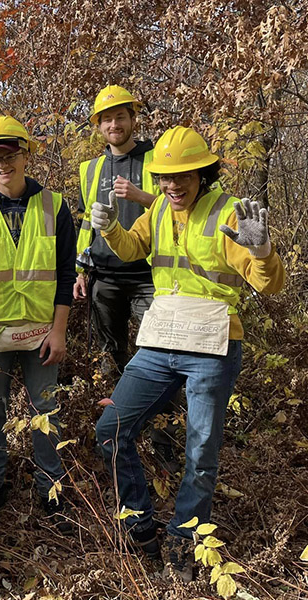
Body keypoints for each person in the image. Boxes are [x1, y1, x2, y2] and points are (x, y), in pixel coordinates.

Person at [92, 126, 284, 580]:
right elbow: (134, 247)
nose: (173, 186)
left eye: (184, 177)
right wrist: (112, 228)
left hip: (212, 345)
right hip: (161, 338)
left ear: (204, 173)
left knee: (201, 451)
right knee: (109, 429)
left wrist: (262, 249)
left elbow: (270, 283)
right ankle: (140, 528)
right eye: (165, 178)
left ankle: (184, 539)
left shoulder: (228, 214)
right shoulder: (157, 207)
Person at [0, 116, 77, 531]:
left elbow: (66, 272)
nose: (2, 164)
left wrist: (60, 330)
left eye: (10, 155)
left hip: (43, 329)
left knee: (47, 409)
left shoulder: (55, 205)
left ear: (26, 155)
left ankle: (52, 488)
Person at [74, 85, 157, 374]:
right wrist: (81, 270)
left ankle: (164, 417)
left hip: (150, 274)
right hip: (105, 278)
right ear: (98, 126)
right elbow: (88, 223)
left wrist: (143, 197)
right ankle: (119, 414)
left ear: (133, 119)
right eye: (106, 119)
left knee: (158, 353)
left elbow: (181, 209)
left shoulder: (157, 159)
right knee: (111, 357)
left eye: (120, 117)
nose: (114, 125)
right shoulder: (90, 169)